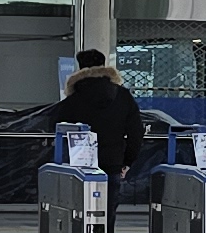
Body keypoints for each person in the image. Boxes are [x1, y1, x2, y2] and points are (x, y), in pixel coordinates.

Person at [55, 47, 152, 190]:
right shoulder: (123, 96)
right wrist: (127, 162)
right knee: (109, 202)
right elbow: (136, 132)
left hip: (80, 164)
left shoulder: (72, 99)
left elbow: (58, 129)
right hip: (113, 162)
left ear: (80, 69)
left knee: (81, 201)